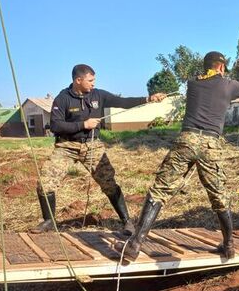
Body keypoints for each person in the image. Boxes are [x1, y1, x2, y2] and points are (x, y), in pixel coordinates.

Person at [115, 51, 239, 261]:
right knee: (219, 196)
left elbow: (204, 81)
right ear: (222, 67)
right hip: (210, 145)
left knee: (159, 191)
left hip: (186, 141)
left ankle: (134, 245)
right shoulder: (228, 85)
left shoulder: (192, 83)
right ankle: (228, 245)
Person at [32, 64, 166, 234]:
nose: (93, 83)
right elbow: (56, 125)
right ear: (78, 80)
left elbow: (123, 102)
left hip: (92, 146)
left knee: (109, 183)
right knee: (45, 184)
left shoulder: (98, 95)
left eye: (94, 80)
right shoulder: (62, 98)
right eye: (90, 80)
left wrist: (148, 99)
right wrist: (83, 124)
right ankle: (48, 221)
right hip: (67, 146)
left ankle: (127, 221)